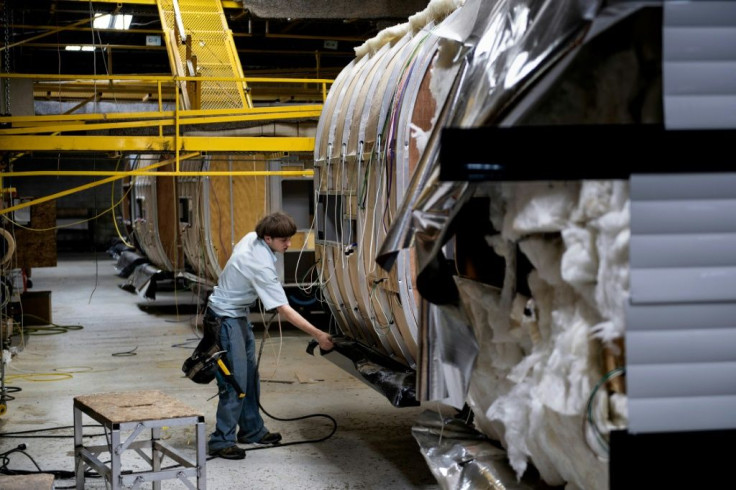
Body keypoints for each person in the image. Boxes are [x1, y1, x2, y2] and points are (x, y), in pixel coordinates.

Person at [204, 211, 334, 460]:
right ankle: (221, 441)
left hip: (236, 315)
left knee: (249, 376)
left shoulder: (252, 236)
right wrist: (319, 335)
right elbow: (284, 309)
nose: (288, 244)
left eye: (290, 239)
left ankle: (251, 430)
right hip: (224, 319)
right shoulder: (260, 263)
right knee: (234, 381)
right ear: (268, 237)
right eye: (283, 240)